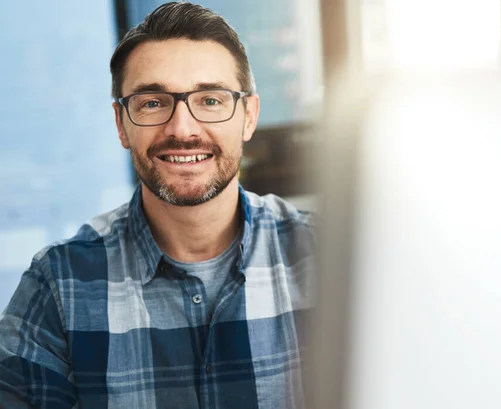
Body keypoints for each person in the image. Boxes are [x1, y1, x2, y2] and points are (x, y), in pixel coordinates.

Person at [0, 2, 316, 408]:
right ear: (121, 124)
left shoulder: (328, 256)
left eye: (210, 100)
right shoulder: (60, 286)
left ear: (249, 116)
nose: (182, 129)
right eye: (152, 102)